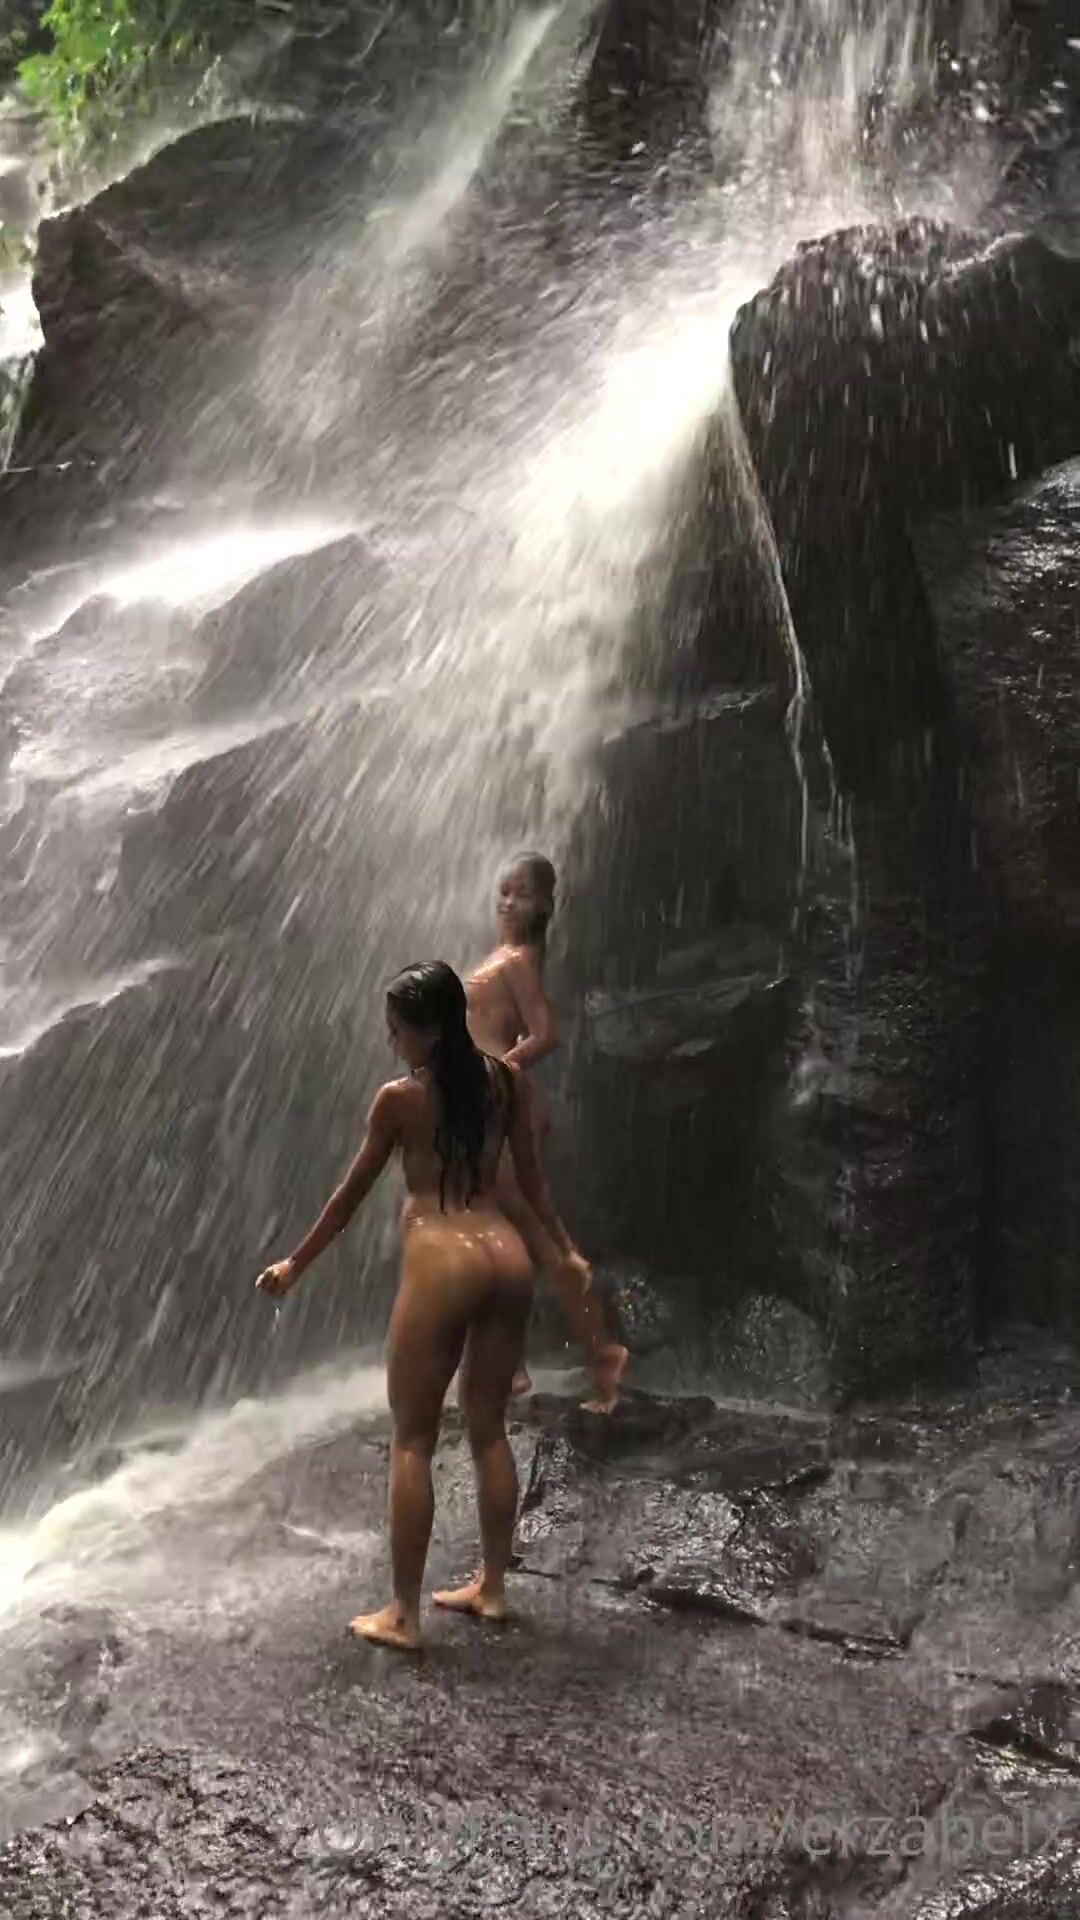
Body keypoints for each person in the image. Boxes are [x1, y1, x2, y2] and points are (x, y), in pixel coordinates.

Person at [255, 960, 588, 1654]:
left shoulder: (399, 1100)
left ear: (430, 1030)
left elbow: (347, 1199)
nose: (391, 1042)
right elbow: (532, 1182)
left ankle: (404, 1613)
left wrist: (294, 1264)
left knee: (413, 1437)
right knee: (489, 1429)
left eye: (397, 1030)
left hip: (443, 1256)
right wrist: (564, 1251)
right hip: (506, 1254)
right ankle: (492, 1588)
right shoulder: (507, 1081)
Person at [465, 852, 627, 1411]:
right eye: (504, 890)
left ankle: (604, 1356)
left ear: (544, 907)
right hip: (485, 1114)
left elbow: (546, 1033)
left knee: (542, 1241)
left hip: (498, 1113)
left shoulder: (516, 961)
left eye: (522, 894)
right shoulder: (506, 958)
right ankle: (510, 1367)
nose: (508, 902)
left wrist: (495, 1073)